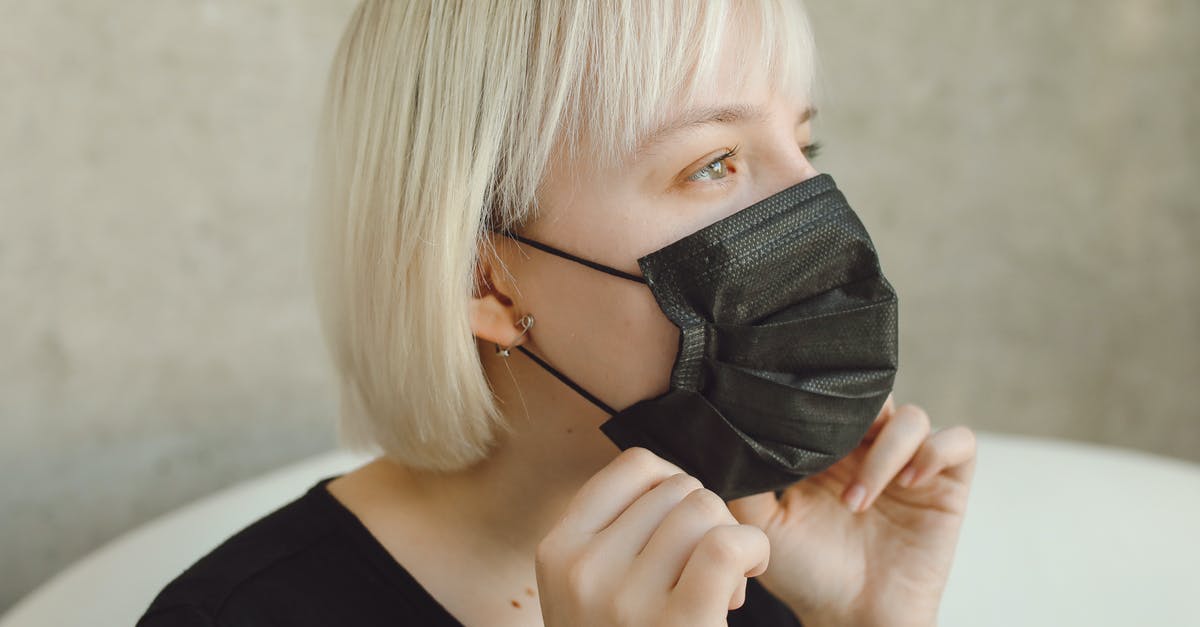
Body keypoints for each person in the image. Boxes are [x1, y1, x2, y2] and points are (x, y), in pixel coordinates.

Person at [138, 1, 977, 625]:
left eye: (806, 145)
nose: (818, 208)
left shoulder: (757, 559)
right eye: (715, 163)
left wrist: (862, 621)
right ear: (488, 281)